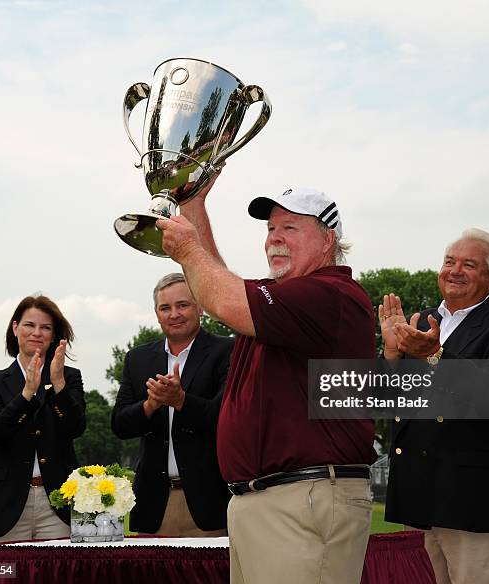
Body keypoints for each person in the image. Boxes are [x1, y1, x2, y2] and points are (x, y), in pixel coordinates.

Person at [156, 183, 377, 584]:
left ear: (328, 240)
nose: (274, 237)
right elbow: (218, 285)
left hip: (302, 498)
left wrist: (187, 250)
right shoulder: (287, 298)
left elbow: (222, 298)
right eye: (270, 229)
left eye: (290, 227)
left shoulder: (330, 292)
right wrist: (192, 204)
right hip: (268, 500)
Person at [380, 228, 489, 584]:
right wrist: (392, 354)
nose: (454, 270)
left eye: (468, 264)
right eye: (449, 262)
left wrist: (435, 355)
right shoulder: (418, 324)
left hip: (477, 506)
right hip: (417, 503)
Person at [111, 273, 234, 536]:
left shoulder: (227, 351)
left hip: (209, 504)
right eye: (165, 308)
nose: (174, 314)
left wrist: (181, 401)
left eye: (183, 305)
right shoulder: (138, 358)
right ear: (156, 314)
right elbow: (120, 424)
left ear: (199, 307)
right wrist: (150, 405)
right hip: (152, 504)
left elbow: (225, 418)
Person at [0, 295, 86, 541]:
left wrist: (58, 385)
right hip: (7, 502)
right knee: (5, 575)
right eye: (29, 325)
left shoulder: (69, 377)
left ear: (54, 335)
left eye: (46, 327)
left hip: (58, 501)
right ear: (15, 328)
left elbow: (76, 427)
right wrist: (26, 394)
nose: (37, 333)